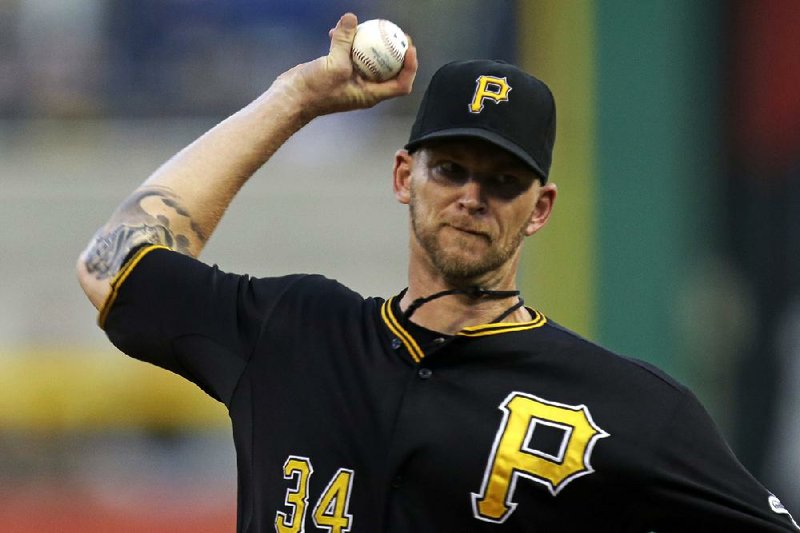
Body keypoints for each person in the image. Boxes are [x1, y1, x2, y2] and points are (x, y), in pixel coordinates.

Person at [77, 12, 798, 533]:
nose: (472, 196)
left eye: (503, 179)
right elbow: (113, 263)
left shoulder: (624, 404)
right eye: (450, 168)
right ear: (403, 176)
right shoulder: (293, 332)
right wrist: (293, 99)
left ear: (540, 207)